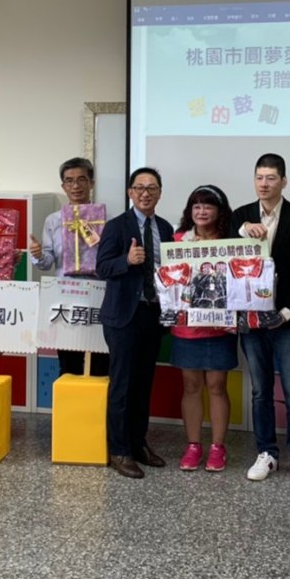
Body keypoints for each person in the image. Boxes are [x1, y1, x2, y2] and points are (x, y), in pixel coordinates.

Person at [233, 153, 290, 487]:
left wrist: (287, 312)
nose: (264, 184)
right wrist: (243, 230)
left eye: (271, 178)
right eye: (259, 177)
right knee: (260, 391)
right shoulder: (241, 216)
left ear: (284, 181)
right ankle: (266, 453)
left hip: (289, 322)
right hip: (252, 321)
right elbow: (225, 253)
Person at [96, 167, 174, 479]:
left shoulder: (165, 228)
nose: (145, 193)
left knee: (143, 383)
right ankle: (119, 450)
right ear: (130, 192)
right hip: (123, 317)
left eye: (152, 188)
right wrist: (126, 261)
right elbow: (102, 267)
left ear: (160, 193)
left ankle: (138, 443)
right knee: (122, 384)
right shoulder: (117, 226)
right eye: (139, 187)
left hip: (152, 315)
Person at [168, 185, 237, 473]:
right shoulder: (178, 240)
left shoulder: (231, 242)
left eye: (208, 206)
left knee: (217, 385)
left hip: (220, 327)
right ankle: (193, 445)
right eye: (196, 206)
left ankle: (218, 447)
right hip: (187, 327)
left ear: (219, 211)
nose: (202, 211)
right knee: (191, 385)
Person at [29, 156, 108, 378]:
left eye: (82, 180)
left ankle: (96, 403)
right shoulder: (53, 220)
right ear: (63, 186)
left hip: (97, 296)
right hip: (64, 295)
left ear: (91, 183)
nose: (76, 186)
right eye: (69, 181)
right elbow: (47, 263)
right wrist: (37, 255)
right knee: (68, 365)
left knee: (99, 365)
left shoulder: (107, 219)